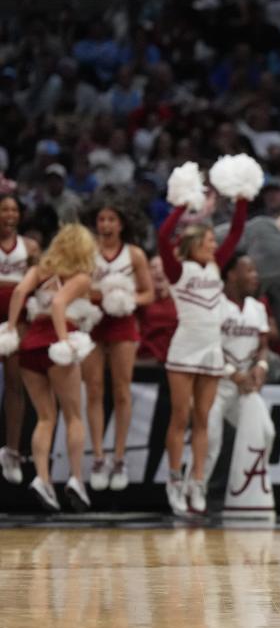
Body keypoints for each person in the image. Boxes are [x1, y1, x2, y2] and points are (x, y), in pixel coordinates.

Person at [158, 193, 247, 516]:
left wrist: (241, 198)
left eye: (213, 240)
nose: (213, 244)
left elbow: (237, 231)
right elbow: (161, 236)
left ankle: (197, 482)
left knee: (203, 421)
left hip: (211, 350)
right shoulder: (177, 271)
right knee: (180, 417)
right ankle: (173, 478)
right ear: (193, 243)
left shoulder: (215, 267)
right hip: (184, 349)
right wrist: (182, 205)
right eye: (208, 240)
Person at [6, 225, 97, 511]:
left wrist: (9, 328)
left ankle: (42, 480)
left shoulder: (40, 269)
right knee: (73, 416)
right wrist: (64, 342)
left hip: (30, 344)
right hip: (56, 345)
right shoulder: (80, 277)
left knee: (45, 417)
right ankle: (76, 479)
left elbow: (19, 292)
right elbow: (59, 303)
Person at [81, 194, 154, 492]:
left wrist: (125, 299)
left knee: (122, 390)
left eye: (112, 219)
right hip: (93, 323)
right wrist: (101, 297)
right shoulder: (87, 253)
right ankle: (98, 457)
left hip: (123, 323)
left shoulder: (134, 254)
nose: (106, 224)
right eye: (101, 219)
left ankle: (120, 457)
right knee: (95, 389)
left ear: (122, 224)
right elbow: (76, 287)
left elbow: (149, 293)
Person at [201, 253, 272, 499]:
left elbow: (263, 345)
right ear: (232, 274)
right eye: (249, 270)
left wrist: (261, 366)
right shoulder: (216, 305)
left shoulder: (258, 307)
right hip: (216, 384)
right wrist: (233, 374)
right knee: (211, 441)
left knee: (266, 433)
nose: (255, 276)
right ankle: (194, 492)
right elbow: (209, 345)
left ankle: (245, 489)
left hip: (245, 387)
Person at [0, 195, 38, 485]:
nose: (9, 214)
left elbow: (38, 284)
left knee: (15, 386)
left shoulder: (30, 247)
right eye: (4, 209)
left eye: (14, 209)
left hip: (17, 323)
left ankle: (12, 450)